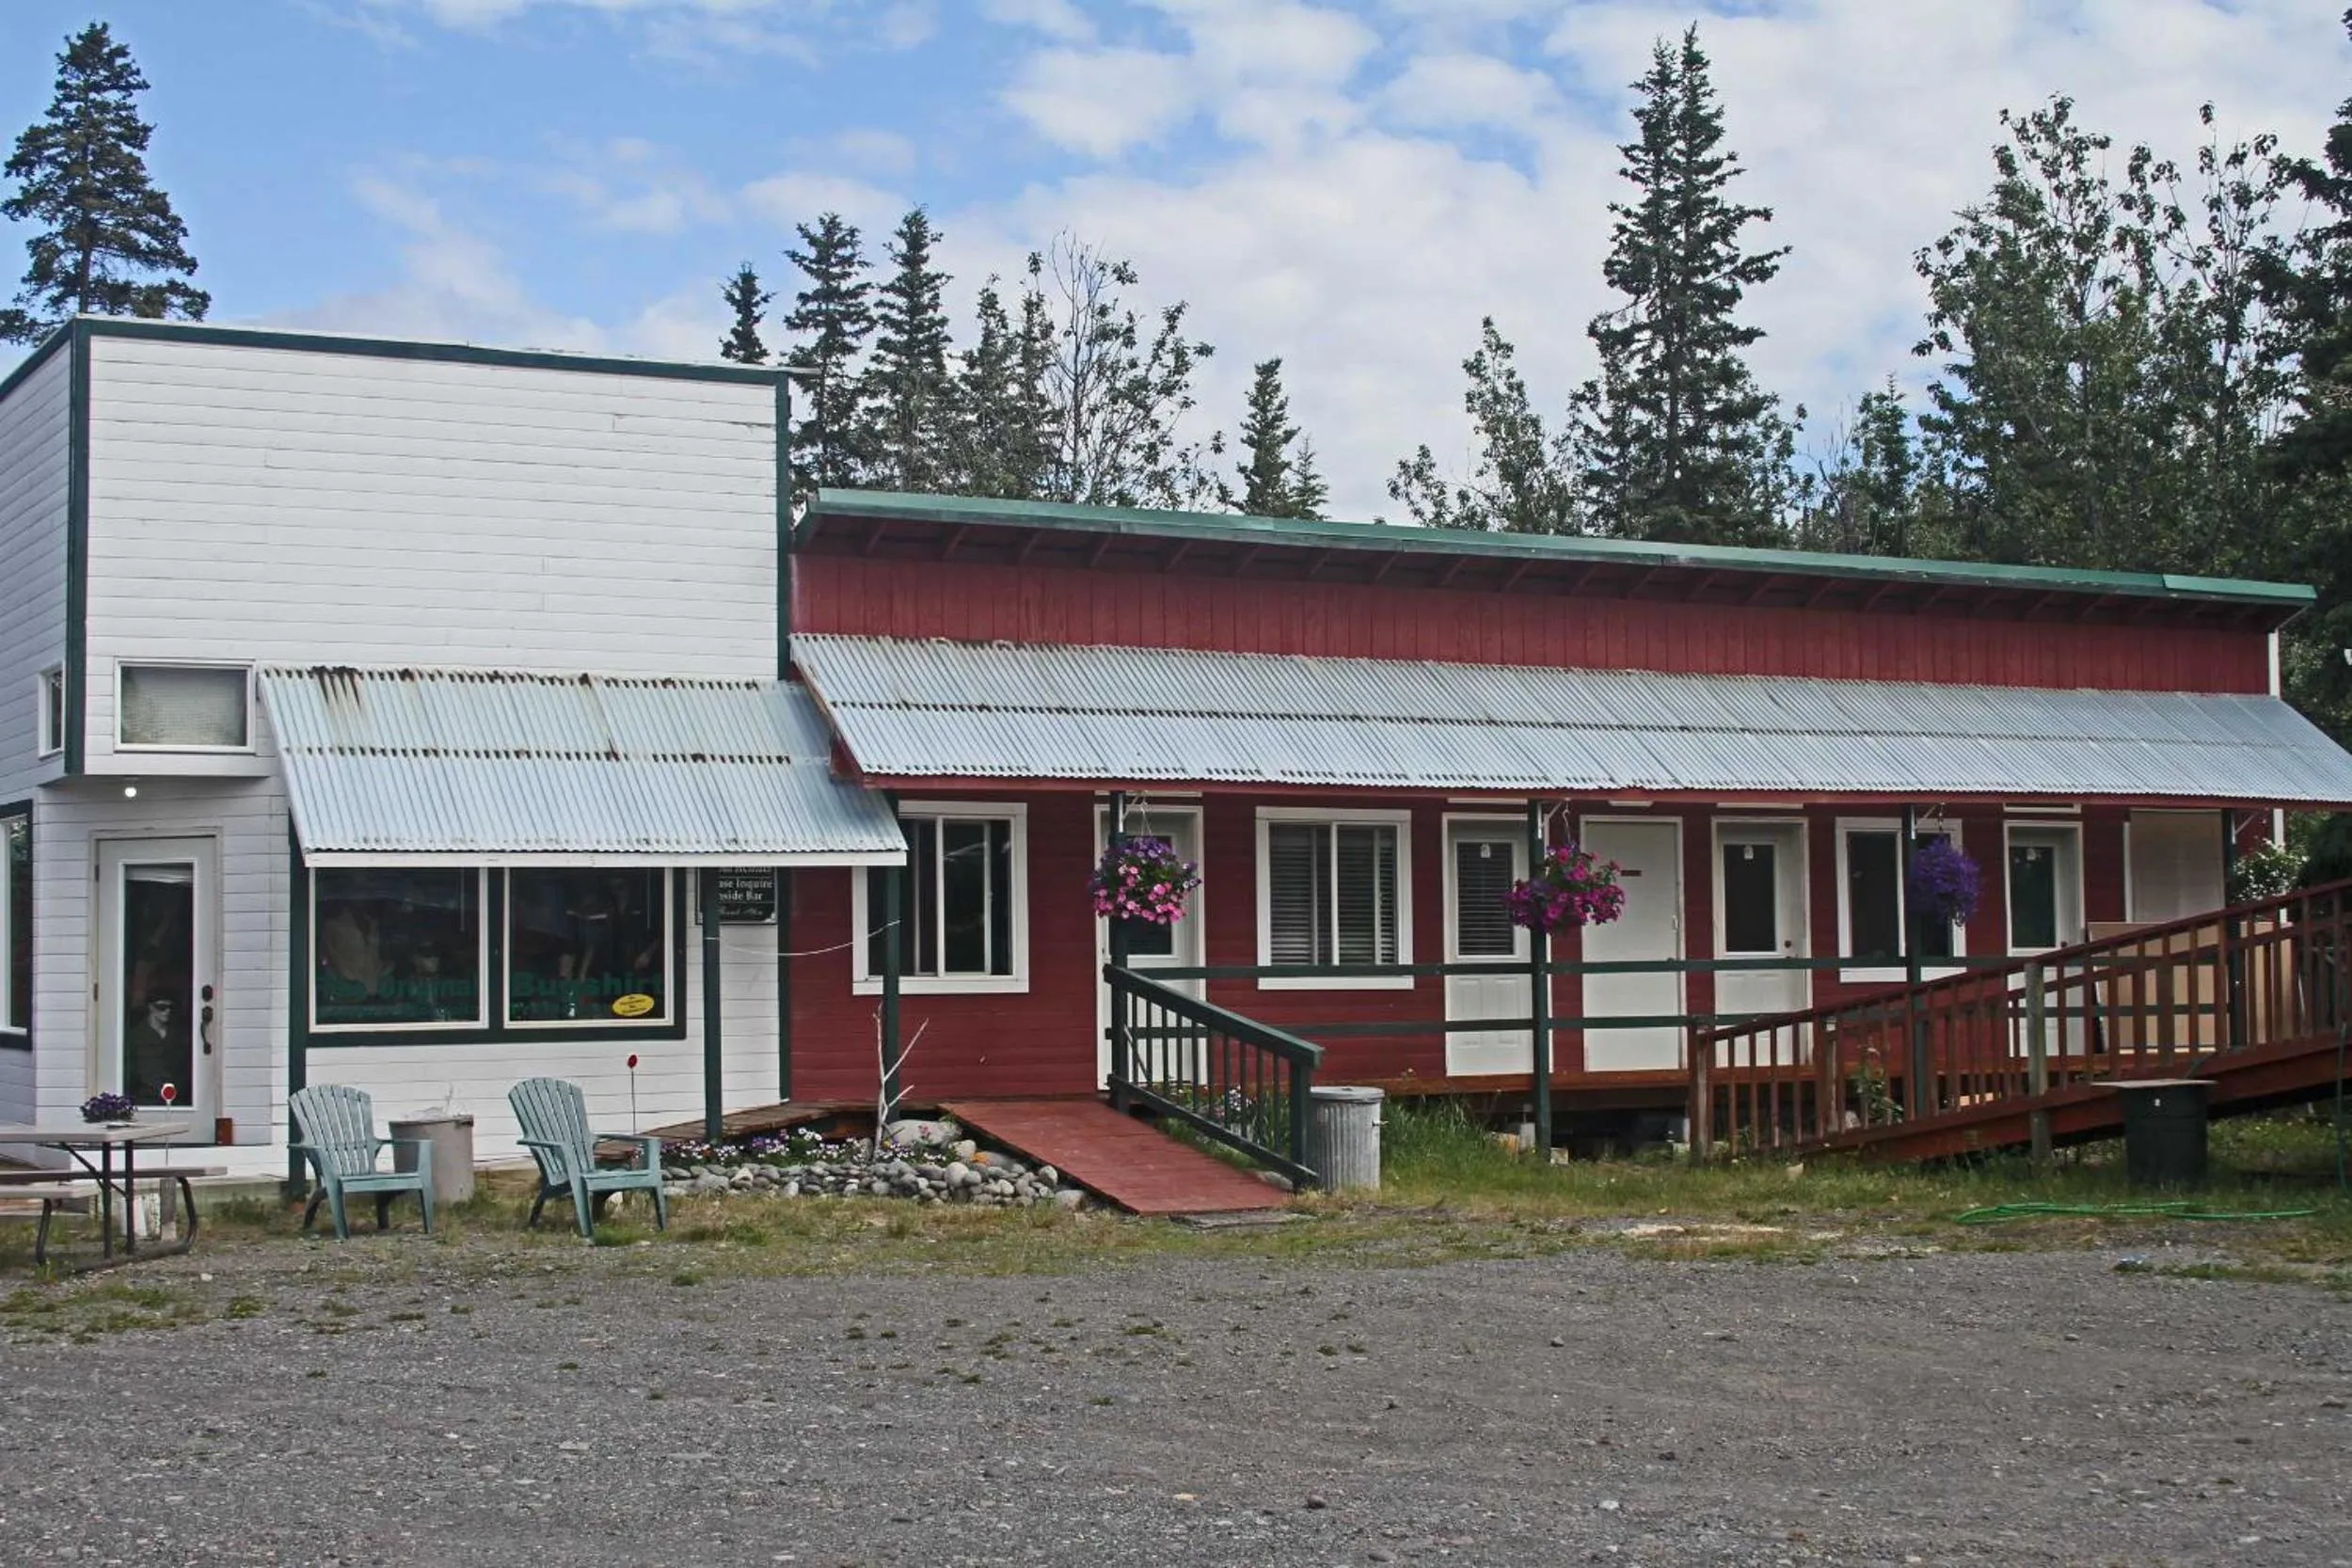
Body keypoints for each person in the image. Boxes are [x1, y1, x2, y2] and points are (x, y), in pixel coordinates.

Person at [123, 993, 187, 1103]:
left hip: (178, 1098)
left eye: (170, 1007)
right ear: (151, 1007)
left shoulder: (179, 1035)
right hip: (146, 1097)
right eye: (162, 1007)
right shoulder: (136, 1035)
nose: (167, 1011)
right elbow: (130, 1069)